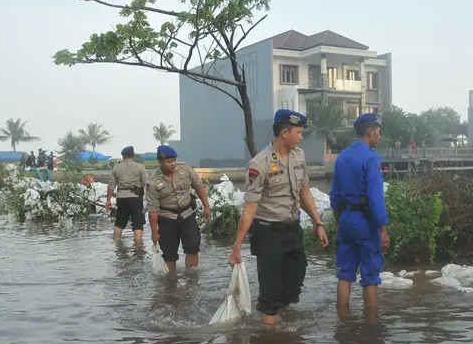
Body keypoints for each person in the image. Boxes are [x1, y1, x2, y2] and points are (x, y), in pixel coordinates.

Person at [228, 109, 329, 325]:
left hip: (292, 229)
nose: (301, 137)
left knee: (294, 285)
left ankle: (277, 319)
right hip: (268, 233)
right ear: (285, 132)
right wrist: (237, 247)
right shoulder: (259, 164)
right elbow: (249, 208)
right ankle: (269, 341)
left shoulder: (298, 156)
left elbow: (305, 192)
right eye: (298, 132)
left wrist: (318, 223)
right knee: (270, 292)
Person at [329, 113, 391, 319]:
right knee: (371, 276)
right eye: (378, 132)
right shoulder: (371, 158)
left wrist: (340, 220)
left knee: (345, 273)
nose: (379, 136)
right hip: (365, 222)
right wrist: (382, 228)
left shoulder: (343, 156)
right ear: (370, 131)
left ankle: (343, 321)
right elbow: (375, 197)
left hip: (346, 219)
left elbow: (335, 194)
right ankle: (371, 325)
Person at [145, 145, 211, 271]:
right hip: (166, 219)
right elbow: (153, 210)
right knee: (169, 255)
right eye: (169, 161)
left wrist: (206, 206)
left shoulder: (185, 169)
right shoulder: (152, 181)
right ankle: (170, 285)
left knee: (192, 248)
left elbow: (199, 187)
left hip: (187, 215)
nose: (173, 164)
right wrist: (154, 233)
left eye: (174, 160)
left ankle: (191, 281)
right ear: (160, 162)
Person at [106, 146, 150, 242]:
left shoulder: (116, 169)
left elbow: (111, 186)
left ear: (122, 156)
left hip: (121, 199)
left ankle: (117, 245)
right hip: (135, 199)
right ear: (133, 155)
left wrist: (108, 200)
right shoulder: (140, 167)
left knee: (119, 223)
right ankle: (138, 247)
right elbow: (147, 184)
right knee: (138, 225)